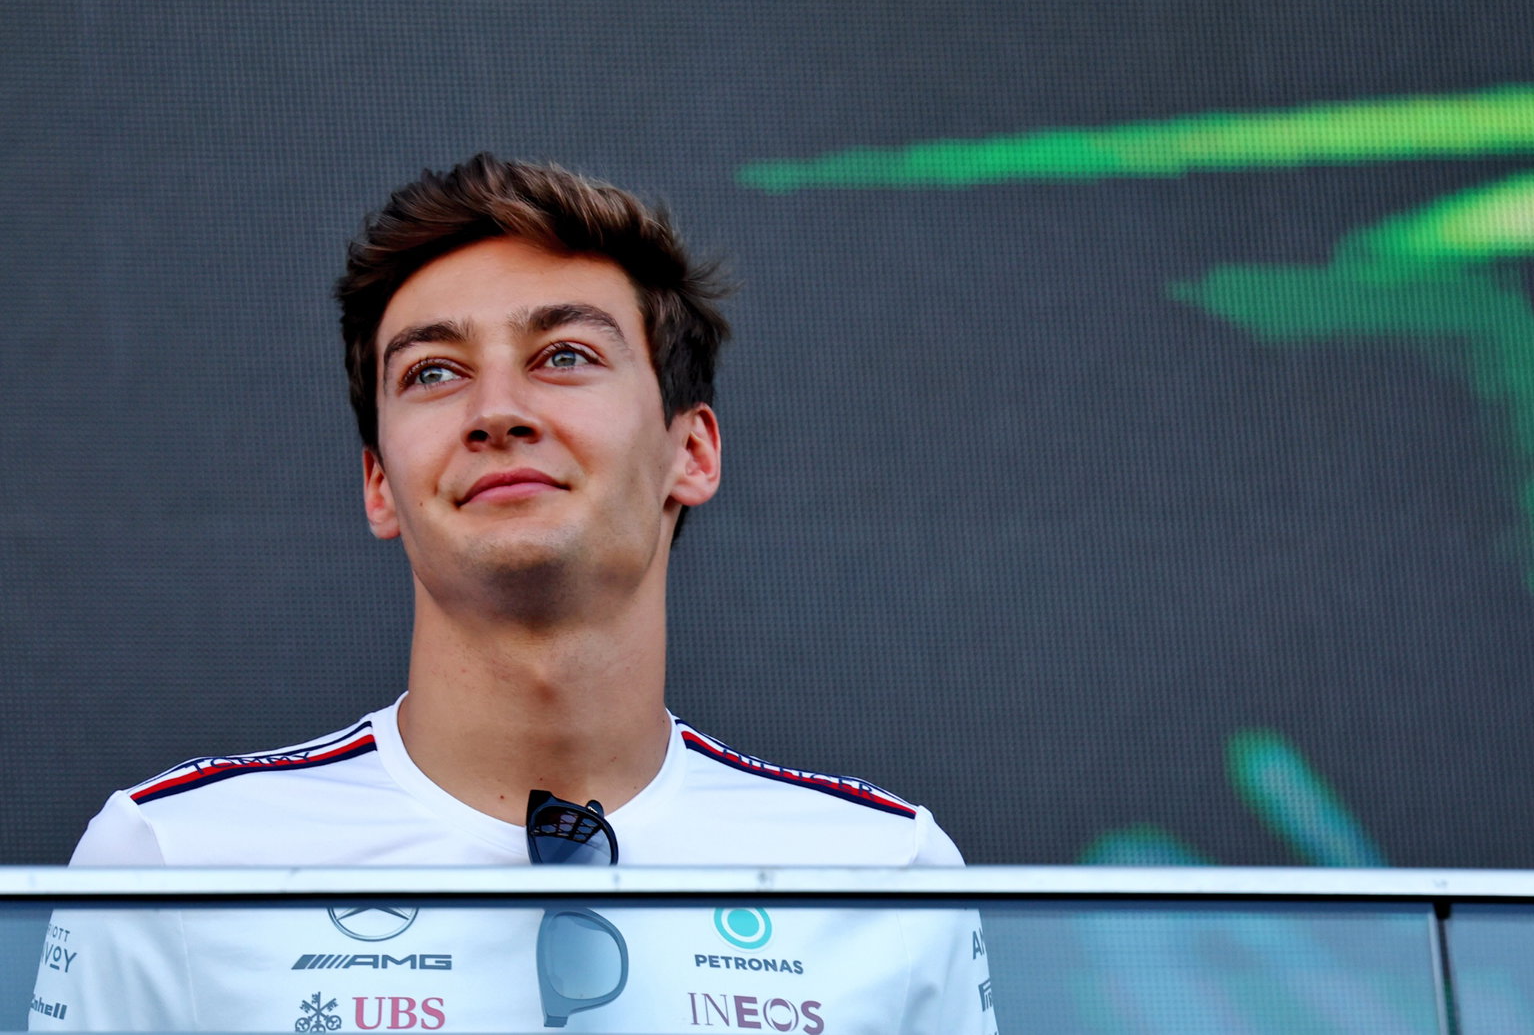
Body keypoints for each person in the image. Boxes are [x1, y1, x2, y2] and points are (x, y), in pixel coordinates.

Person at [31, 155, 997, 1033]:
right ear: (380, 483)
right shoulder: (169, 860)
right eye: (433, 372)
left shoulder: (890, 878)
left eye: (564, 356)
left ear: (691, 451)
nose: (495, 412)